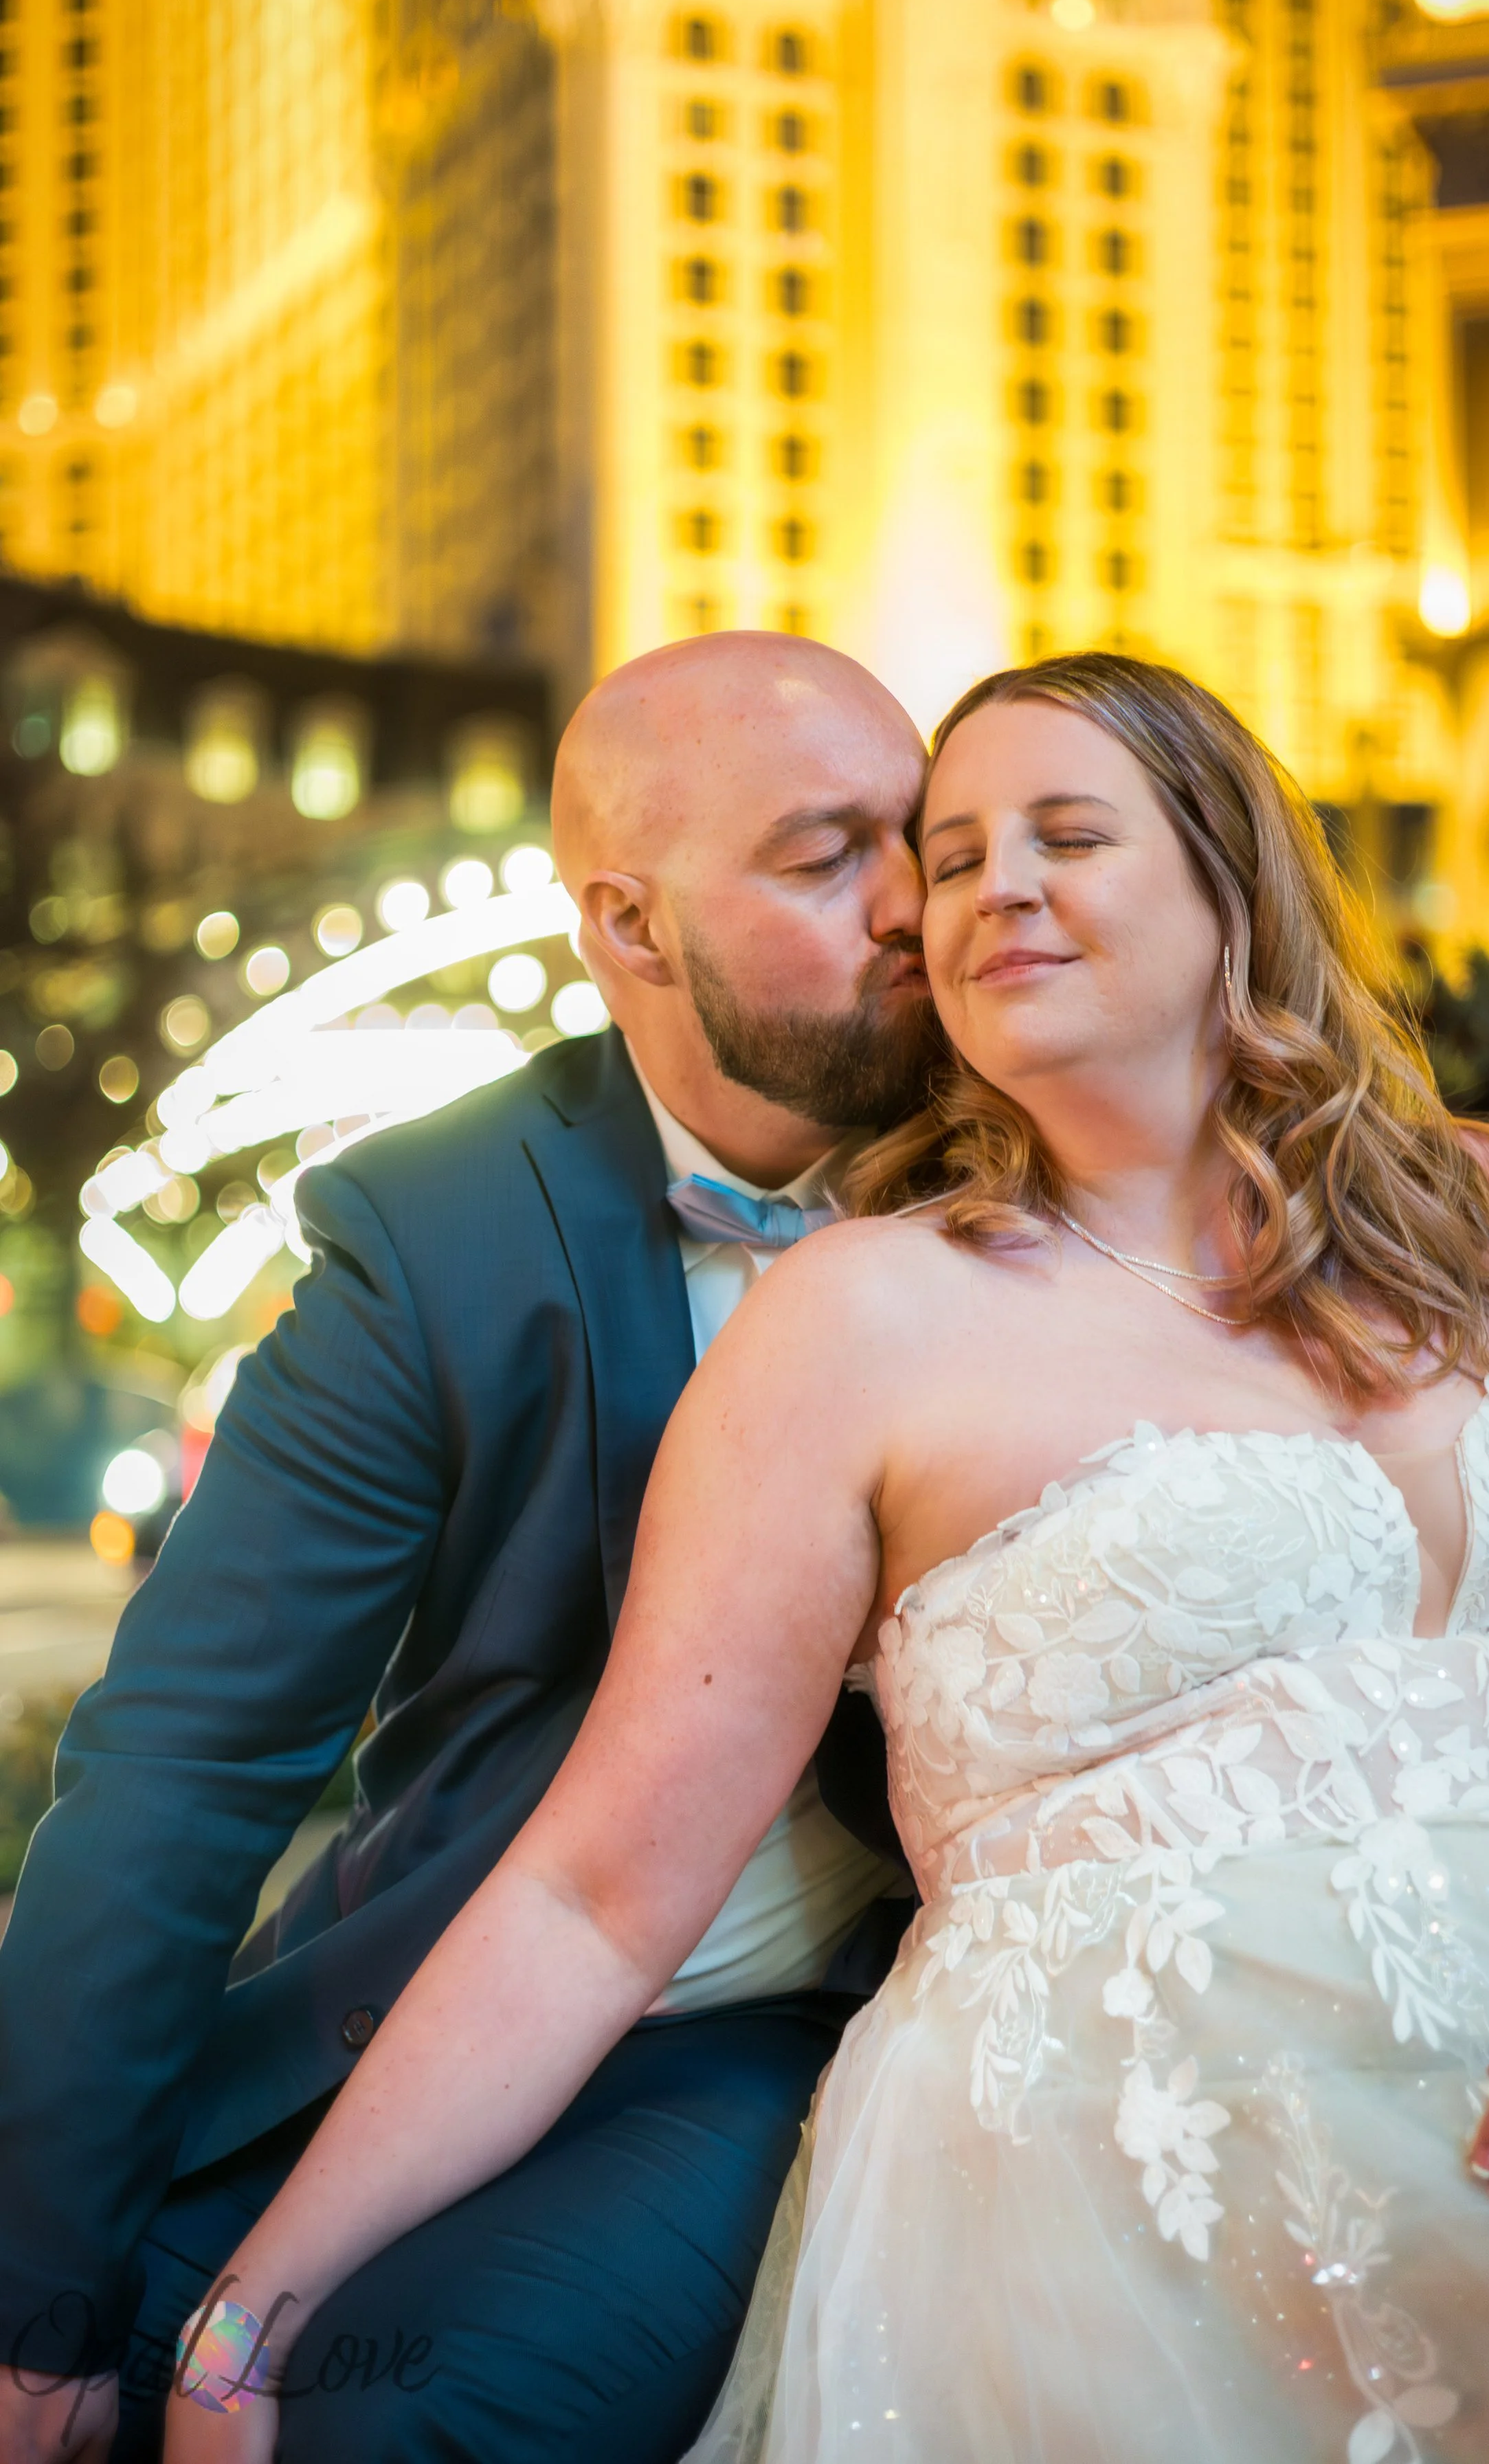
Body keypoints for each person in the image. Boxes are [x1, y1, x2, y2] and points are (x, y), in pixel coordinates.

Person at [164, 653, 1489, 2464]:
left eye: (1068, 833)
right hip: (1132, 2196)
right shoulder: (858, 1320)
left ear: (1232, 881)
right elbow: (591, 1894)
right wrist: (251, 2312)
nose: (992, 891)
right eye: (955, 854)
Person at [0, 630, 930, 2464]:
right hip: (429, 1999)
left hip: (781, 2021)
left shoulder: (1052, 1166)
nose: (911, 904)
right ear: (630, 923)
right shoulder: (438, 1233)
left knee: (389, 2424)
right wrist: (31, 2288)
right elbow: (187, 1755)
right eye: (826, 858)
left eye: (924, 836)